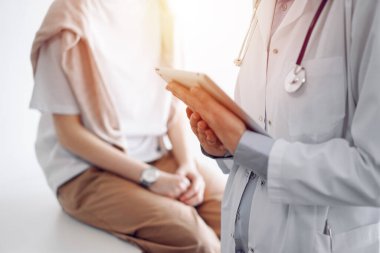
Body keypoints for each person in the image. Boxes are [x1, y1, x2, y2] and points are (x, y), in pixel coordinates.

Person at [167, 0, 380, 252]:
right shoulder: (264, 6)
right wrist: (224, 146)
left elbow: (373, 172)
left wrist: (245, 144)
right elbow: (268, 125)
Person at [29, 0, 224, 252]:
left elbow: (171, 108)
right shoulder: (67, 20)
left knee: (237, 217)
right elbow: (70, 135)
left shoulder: (161, 11)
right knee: (198, 241)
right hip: (86, 171)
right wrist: (150, 178)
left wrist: (187, 164)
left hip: (157, 156)